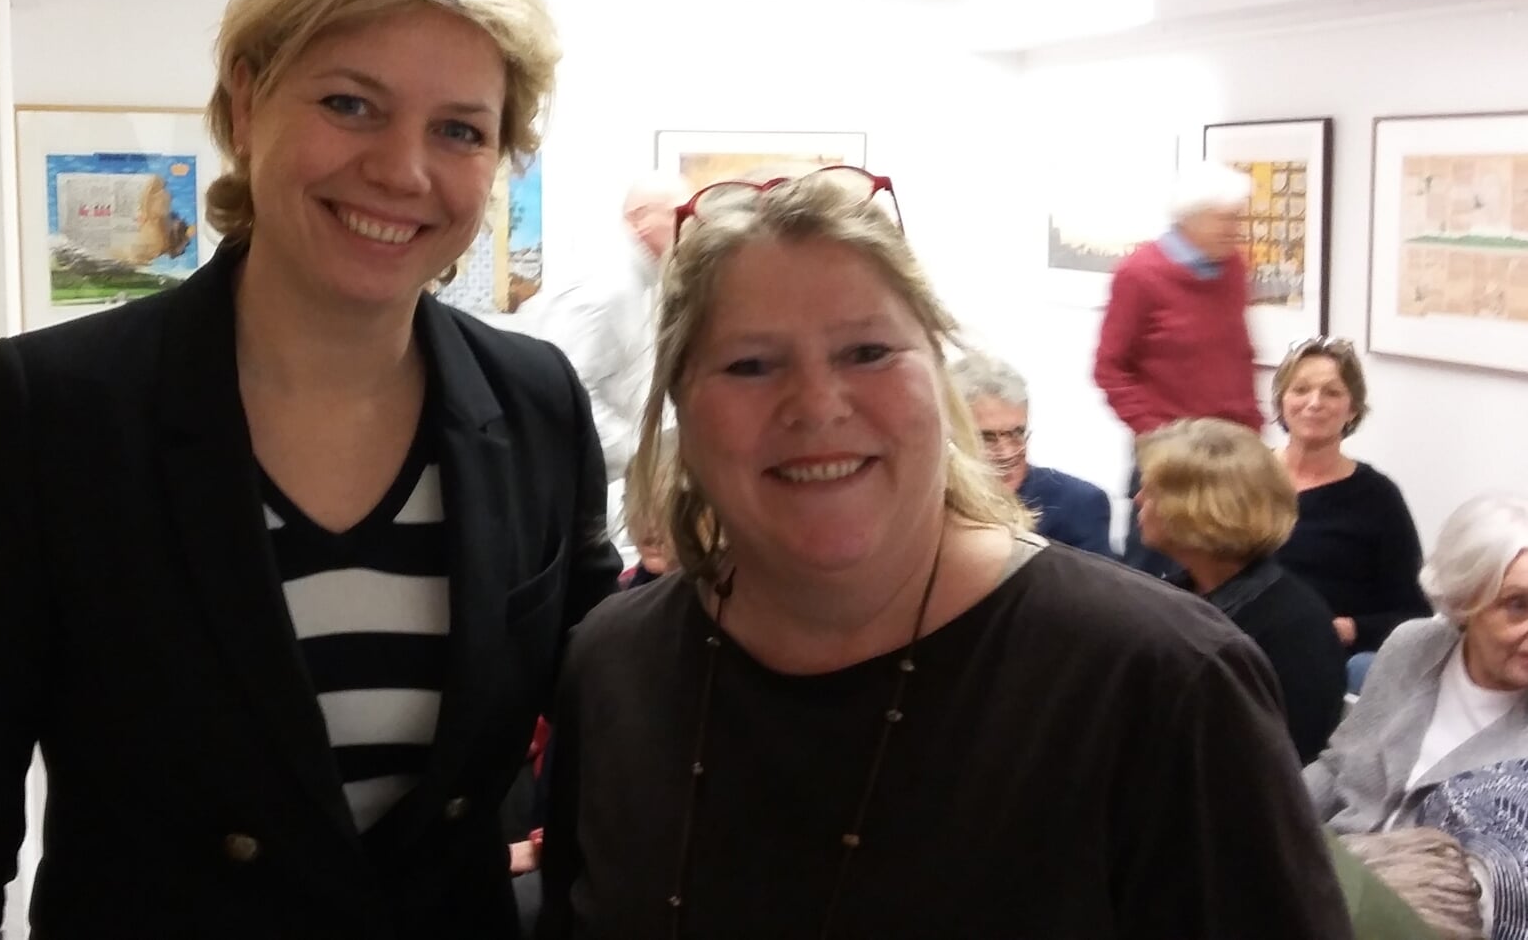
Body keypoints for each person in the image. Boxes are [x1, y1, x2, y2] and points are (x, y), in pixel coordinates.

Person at [0, 0, 621, 938]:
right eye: (350, 103)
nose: (401, 170)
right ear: (246, 96)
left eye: (458, 128)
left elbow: (607, 717)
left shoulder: (533, 400)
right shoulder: (58, 413)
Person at [537, 167, 1350, 938]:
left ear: (937, 372)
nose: (817, 406)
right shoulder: (614, 666)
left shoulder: (1161, 682)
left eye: (866, 352)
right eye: (750, 364)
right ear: (681, 402)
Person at [1306, 492, 1528, 835]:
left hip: (1424, 885)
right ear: (1465, 598)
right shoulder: (1414, 645)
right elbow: (1338, 767)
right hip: (1332, 858)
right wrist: (1271, 814)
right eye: (1518, 605)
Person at [1135, 417, 1347, 763]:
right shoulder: (1174, 593)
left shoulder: (1295, 631)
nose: (1138, 499)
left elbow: (1279, 770)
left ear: (1200, 511)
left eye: (1152, 491)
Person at [1095, 161, 1262, 579]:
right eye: (1224, 219)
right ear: (1190, 219)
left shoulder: (1233, 268)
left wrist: (1254, 430)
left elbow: (1237, 354)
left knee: (1225, 574)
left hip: (1230, 454)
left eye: (1237, 218)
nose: (1234, 229)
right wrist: (1159, 436)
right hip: (1168, 458)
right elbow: (1109, 369)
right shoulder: (1140, 274)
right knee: (1153, 578)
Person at [1271, 336, 1428, 688]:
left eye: (1332, 392)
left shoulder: (1377, 498)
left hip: (1323, 657)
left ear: (1352, 409)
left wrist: (1350, 628)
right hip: (1239, 642)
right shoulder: (1247, 476)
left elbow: (1414, 614)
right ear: (1281, 402)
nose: (1314, 403)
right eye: (1301, 389)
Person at [517, 170, 689, 482]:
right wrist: (642, 453)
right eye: (679, 213)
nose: (689, 225)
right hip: (596, 481)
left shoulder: (642, 282)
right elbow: (563, 392)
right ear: (640, 218)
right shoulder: (605, 284)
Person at [948, 350, 1114, 557]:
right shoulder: (925, 501)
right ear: (949, 435)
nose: (1007, 452)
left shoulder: (1078, 505)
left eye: (1017, 433)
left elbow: (1094, 588)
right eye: (987, 438)